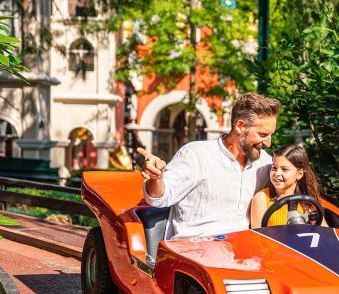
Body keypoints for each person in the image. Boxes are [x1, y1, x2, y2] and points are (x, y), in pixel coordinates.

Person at [138, 92, 280, 239]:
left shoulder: (265, 163)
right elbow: (158, 198)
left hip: (241, 250)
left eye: (271, 135)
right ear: (240, 126)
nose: (268, 143)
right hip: (193, 248)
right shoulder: (195, 154)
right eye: (263, 135)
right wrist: (156, 178)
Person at [250, 144, 327, 228]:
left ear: (299, 174)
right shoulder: (262, 198)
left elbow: (325, 233)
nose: (277, 174)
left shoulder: (308, 202)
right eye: (274, 168)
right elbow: (258, 237)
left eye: (284, 169)